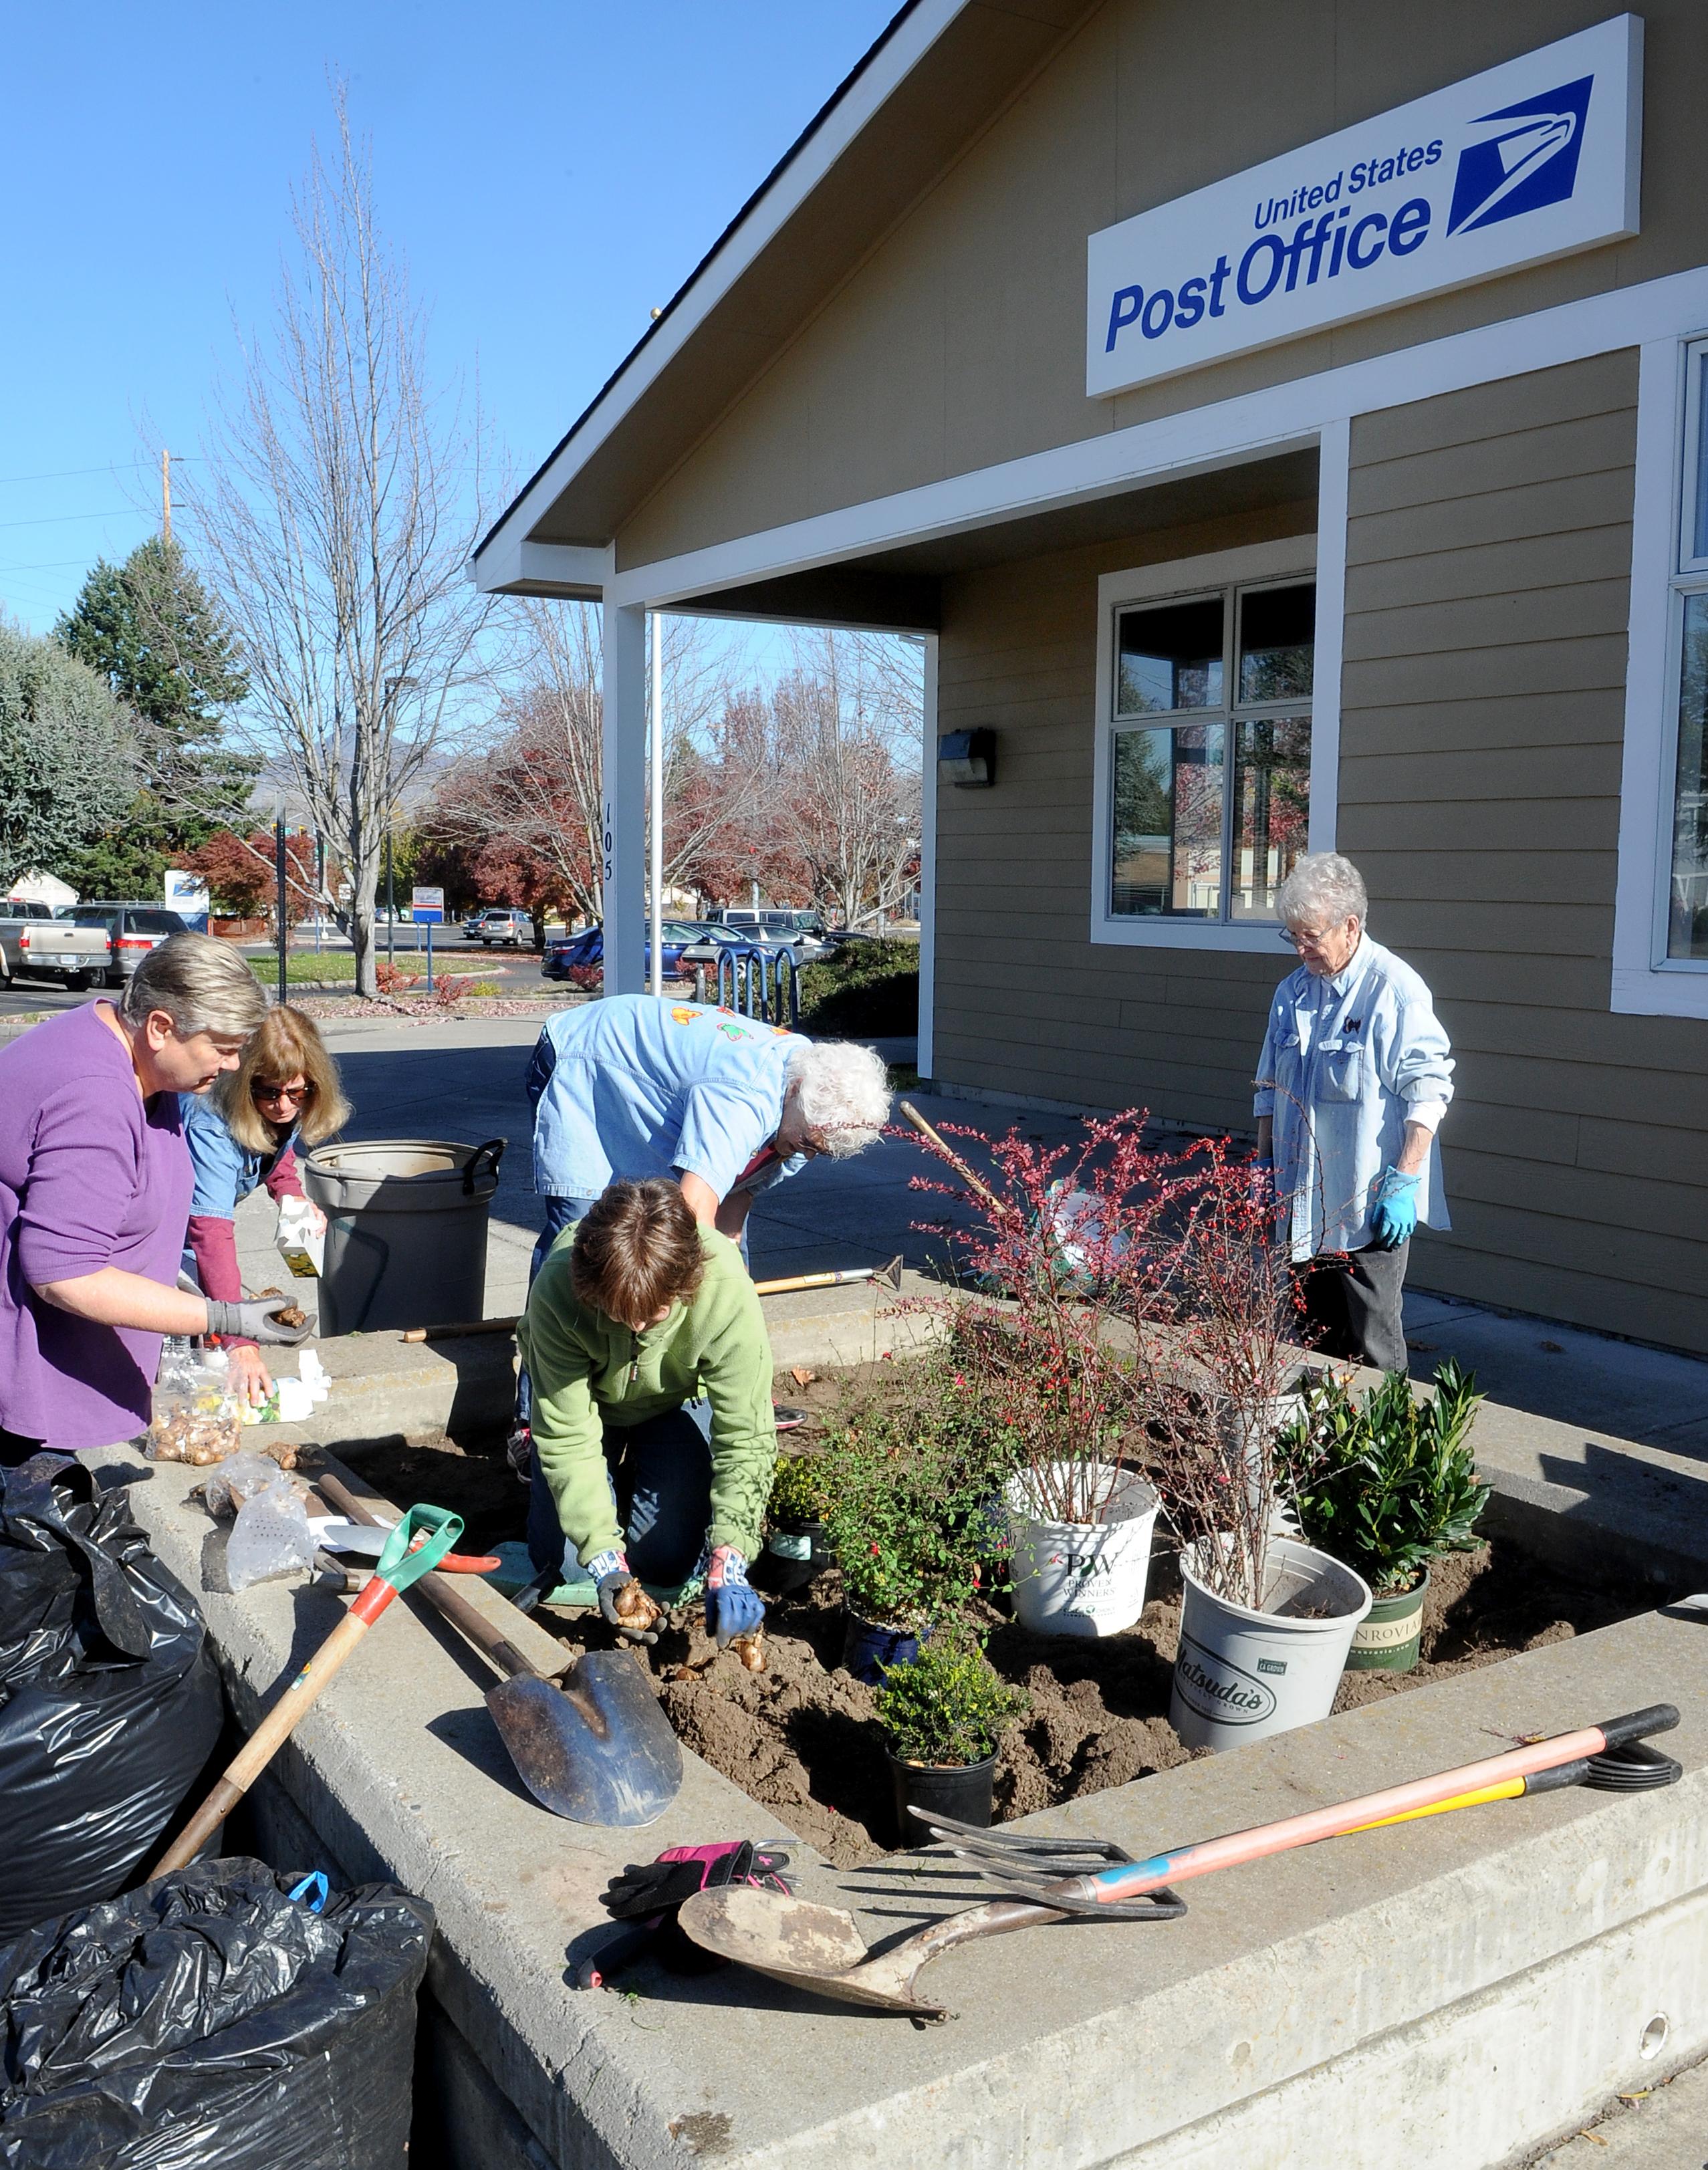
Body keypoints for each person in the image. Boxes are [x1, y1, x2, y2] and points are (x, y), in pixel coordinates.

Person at [512, 993, 891, 1439]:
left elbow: (734, 1204)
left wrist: (721, 1296)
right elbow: (691, 1217)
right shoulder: (742, 1099)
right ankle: (535, 1421)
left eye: (817, 1152)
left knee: (727, 1255)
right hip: (586, 1058)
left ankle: (728, 1390)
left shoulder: (815, 1095)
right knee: (582, 1238)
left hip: (653, 1080)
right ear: (794, 1096)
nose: (807, 1154)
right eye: (807, 1143)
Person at [0, 935, 310, 1463]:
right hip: (21, 1352)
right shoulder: (94, 1094)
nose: (234, 1066)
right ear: (161, 1026)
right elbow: (65, 1273)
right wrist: (224, 1319)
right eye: (224, 1047)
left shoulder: (128, 1051)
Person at [518, 1178, 773, 1648]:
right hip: (589, 1408)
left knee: (667, 1561)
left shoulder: (725, 1289)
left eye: (652, 1314)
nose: (636, 1326)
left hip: (674, 1403)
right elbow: (569, 1437)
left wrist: (730, 1555)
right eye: (618, 1314)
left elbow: (746, 1434)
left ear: (688, 1283)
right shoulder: (557, 1287)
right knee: (569, 1564)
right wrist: (607, 1564)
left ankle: (643, 1475)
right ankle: (548, 1462)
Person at [1252, 852, 1453, 1374]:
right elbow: (1268, 1088)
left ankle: (1378, 1454)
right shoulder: (1291, 991)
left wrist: (1404, 1181)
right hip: (1299, 1201)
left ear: (1349, 926)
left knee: (1371, 1344)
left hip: (1366, 1206)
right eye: (1291, 936)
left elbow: (1428, 1090)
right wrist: (1262, 1166)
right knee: (1310, 1339)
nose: (1300, 949)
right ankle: (1316, 1450)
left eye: (1310, 937)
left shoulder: (1394, 990)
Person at [180, 1004, 349, 1407]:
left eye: (298, 1092)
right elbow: (210, 1233)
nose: (284, 1107)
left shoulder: (283, 1111)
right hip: (154, 1240)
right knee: (186, 1353)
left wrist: (291, 1193)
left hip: (189, 1237)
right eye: (268, 1092)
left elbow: (277, 1152)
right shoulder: (211, 1125)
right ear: (243, 1084)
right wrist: (239, 1340)